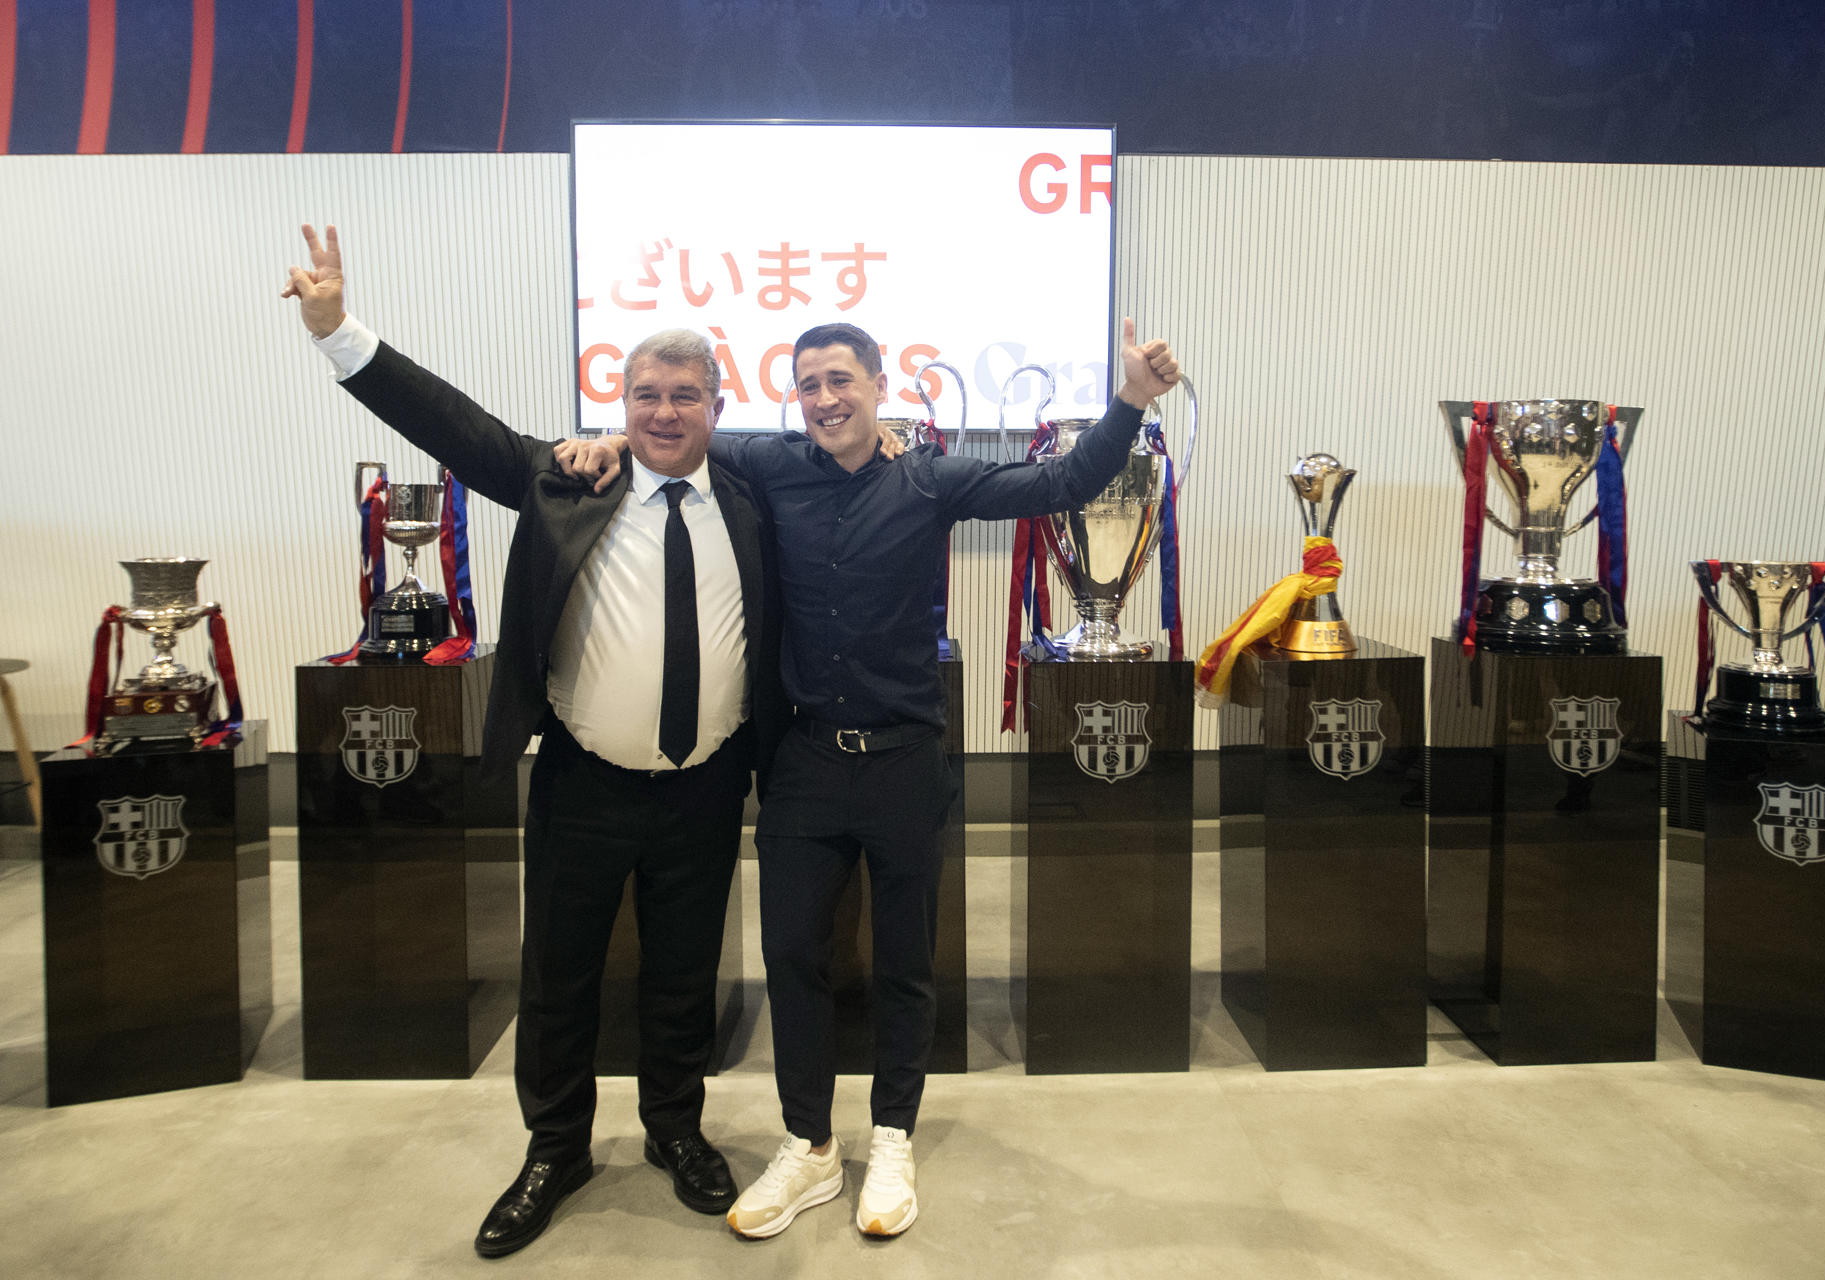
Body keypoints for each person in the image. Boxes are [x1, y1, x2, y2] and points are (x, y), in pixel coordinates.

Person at [559, 319, 1182, 1239]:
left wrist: (1130, 399)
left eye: (841, 380)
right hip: (805, 764)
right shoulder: (770, 464)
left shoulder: (930, 476)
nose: (824, 399)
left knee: (903, 964)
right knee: (795, 960)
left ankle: (892, 1137)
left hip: (904, 762)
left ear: (880, 384)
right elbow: (676, 433)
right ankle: (809, 1146)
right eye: (808, 384)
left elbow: (1063, 482)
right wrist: (609, 437)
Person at [281, 224, 798, 1259]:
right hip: (583, 783)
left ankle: (676, 1129)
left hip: (705, 787)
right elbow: (455, 424)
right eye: (645, 395)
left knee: (683, 972)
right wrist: (339, 332)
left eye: (684, 395)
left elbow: (847, 453)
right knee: (558, 975)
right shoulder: (567, 479)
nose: (662, 412)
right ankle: (556, 1148)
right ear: (620, 402)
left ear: (717, 406)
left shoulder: (754, 495)